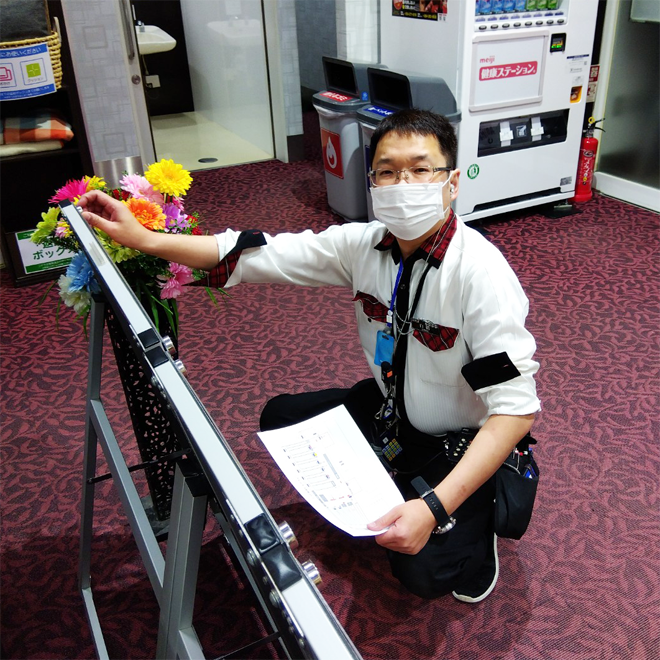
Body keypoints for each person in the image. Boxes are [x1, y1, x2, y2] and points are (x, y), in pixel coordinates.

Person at [79, 109, 540, 603]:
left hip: (459, 439)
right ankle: (398, 473)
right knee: (281, 419)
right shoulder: (363, 245)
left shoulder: (480, 275)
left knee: (424, 571)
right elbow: (258, 253)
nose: (403, 184)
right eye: (387, 171)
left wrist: (433, 507)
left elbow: (514, 412)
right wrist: (147, 240)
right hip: (391, 411)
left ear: (451, 183)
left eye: (421, 169)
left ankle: (476, 529)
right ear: (372, 183)